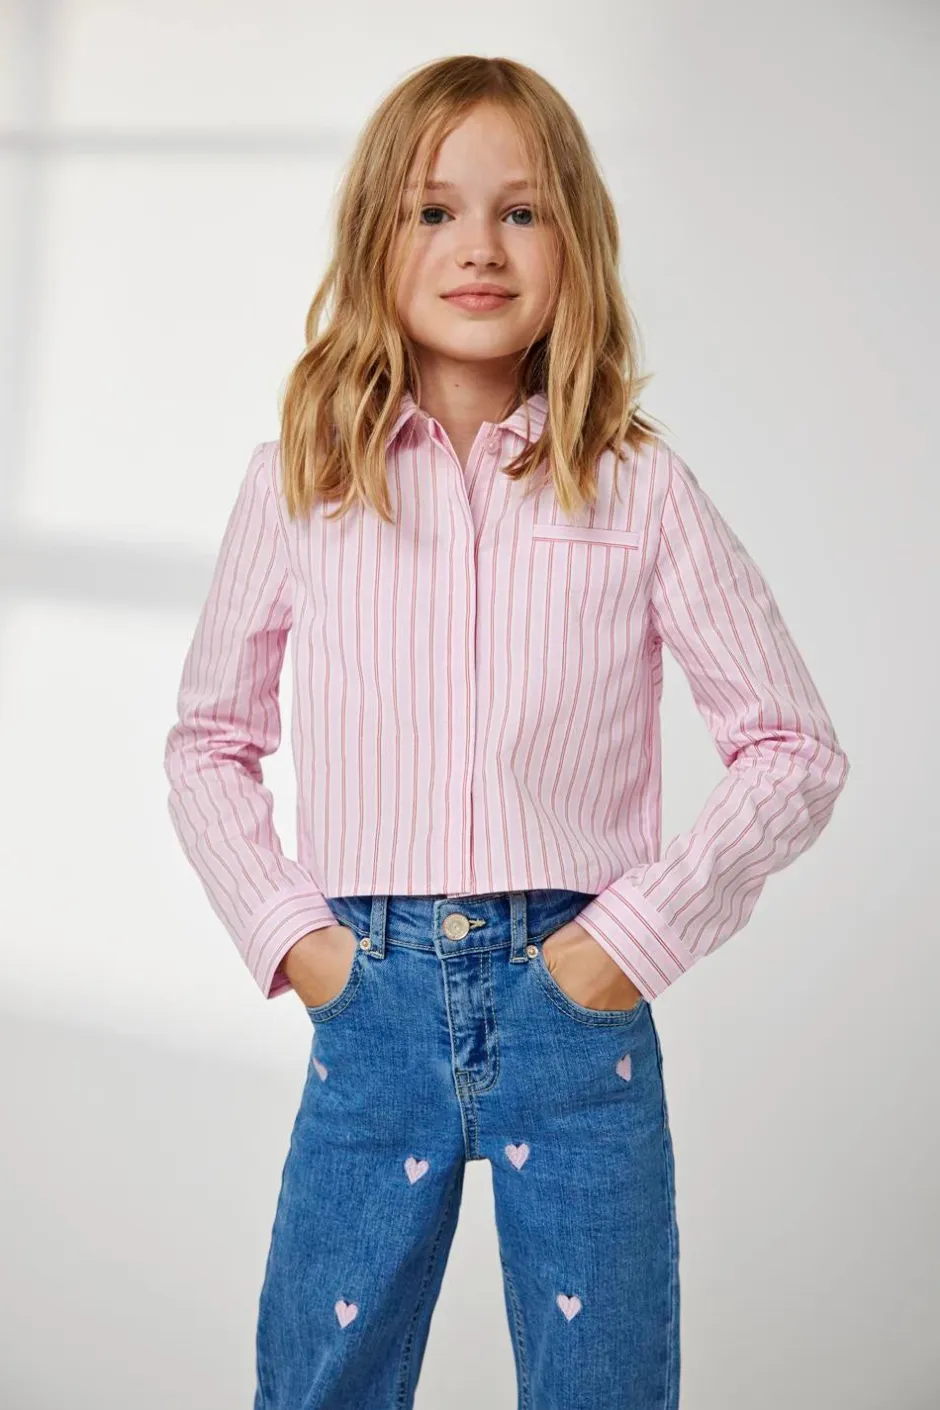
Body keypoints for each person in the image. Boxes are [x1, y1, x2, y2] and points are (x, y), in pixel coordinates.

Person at [163, 55, 850, 1410]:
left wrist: (628, 941)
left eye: (521, 211)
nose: (479, 245)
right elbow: (208, 741)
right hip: (369, 998)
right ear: (375, 238)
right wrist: (299, 942)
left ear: (574, 244)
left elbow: (791, 745)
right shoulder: (298, 485)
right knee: (321, 1380)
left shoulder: (639, 489)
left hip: (575, 1003)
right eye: (434, 210)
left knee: (605, 1385)